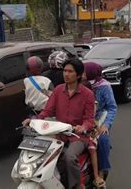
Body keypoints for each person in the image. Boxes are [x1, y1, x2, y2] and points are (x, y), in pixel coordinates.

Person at [23, 58, 95, 189]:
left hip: (78, 136)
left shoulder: (88, 94)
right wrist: (34, 120)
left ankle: (78, 185)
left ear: (78, 75)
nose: (66, 74)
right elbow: (47, 110)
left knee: (69, 156)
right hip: (59, 134)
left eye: (70, 71)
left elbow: (89, 119)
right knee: (43, 153)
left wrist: (83, 127)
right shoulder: (58, 90)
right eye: (65, 71)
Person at [83, 62, 118, 188]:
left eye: (83, 72)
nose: (81, 74)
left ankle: (101, 174)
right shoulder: (79, 84)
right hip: (81, 121)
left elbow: (112, 107)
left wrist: (106, 125)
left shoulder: (104, 87)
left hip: (99, 121)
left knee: (103, 141)